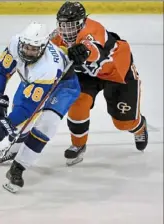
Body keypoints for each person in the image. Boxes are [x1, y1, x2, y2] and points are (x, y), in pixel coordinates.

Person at [0, 22, 80, 192]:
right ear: (21, 42)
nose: (29, 52)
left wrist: (2, 127)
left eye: (34, 49)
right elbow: (0, 71)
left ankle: (19, 167)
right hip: (33, 82)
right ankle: (13, 150)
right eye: (26, 47)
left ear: (43, 47)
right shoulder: (15, 43)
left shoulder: (47, 67)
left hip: (63, 86)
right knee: (19, 125)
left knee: (46, 124)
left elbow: (29, 109)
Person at [51, 1, 148, 166]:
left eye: (72, 25)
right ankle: (78, 144)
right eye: (63, 25)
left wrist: (84, 51)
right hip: (88, 74)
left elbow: (93, 48)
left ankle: (139, 126)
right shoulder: (57, 37)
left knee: (124, 124)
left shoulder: (93, 30)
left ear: (82, 22)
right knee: (77, 100)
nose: (67, 31)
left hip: (116, 72)